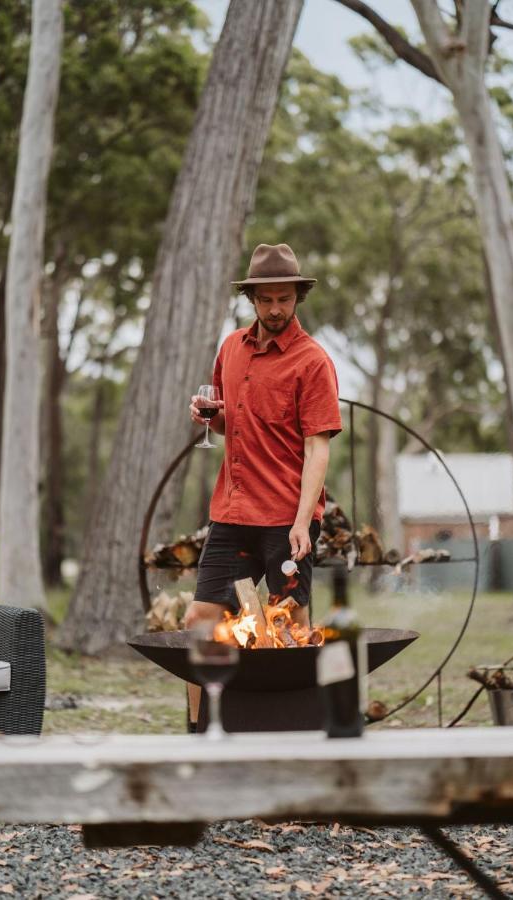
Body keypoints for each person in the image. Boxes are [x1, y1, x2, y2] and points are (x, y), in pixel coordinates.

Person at [185, 242, 342, 728]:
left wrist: (302, 523)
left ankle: (299, 732)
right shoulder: (231, 348)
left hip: (284, 521)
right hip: (231, 514)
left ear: (297, 297)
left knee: (293, 632)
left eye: (285, 299)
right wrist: (207, 418)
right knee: (200, 622)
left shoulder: (313, 361)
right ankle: (198, 732)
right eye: (267, 299)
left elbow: (318, 448)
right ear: (251, 298)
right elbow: (235, 424)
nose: (276, 308)